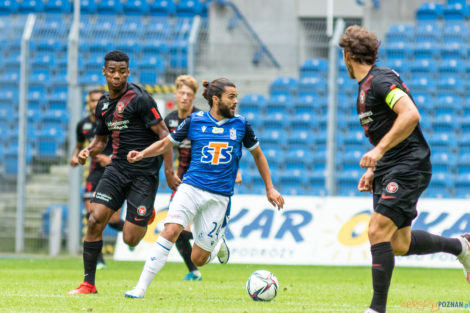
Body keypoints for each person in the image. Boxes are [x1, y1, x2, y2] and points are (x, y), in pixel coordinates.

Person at [339, 25, 470, 313]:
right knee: (398, 242)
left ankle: (376, 309)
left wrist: (378, 151)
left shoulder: (379, 81)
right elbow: (386, 130)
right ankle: (461, 246)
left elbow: (410, 114)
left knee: (376, 229)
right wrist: (374, 168)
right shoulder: (365, 88)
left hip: (409, 164)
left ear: (347, 55)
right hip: (390, 167)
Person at [124, 78, 284, 298]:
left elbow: (258, 155)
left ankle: (217, 244)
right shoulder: (195, 121)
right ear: (216, 99)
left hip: (219, 198)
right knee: (170, 231)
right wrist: (142, 153)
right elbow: (166, 143)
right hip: (190, 188)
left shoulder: (241, 124)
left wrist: (270, 188)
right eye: (231, 97)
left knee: (197, 259)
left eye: (236, 96)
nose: (236, 101)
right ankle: (140, 288)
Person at [68, 50, 180, 295]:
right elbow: (100, 141)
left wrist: (169, 172)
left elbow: (165, 136)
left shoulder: (141, 99)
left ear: (128, 72)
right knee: (95, 218)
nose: (116, 76)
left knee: (130, 239)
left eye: (121, 71)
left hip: (144, 174)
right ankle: (89, 283)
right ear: (104, 72)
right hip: (116, 169)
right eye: (112, 71)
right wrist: (87, 151)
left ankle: (146, 213)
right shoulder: (103, 104)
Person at [164, 75, 243, 281]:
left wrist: (236, 171)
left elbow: (225, 146)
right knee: (177, 230)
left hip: (205, 181)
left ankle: (211, 243)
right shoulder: (170, 119)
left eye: (189, 95)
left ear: (194, 98)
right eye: (181, 93)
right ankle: (194, 269)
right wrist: (167, 172)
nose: (184, 98)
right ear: (175, 94)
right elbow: (165, 147)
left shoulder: (201, 118)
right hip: (183, 182)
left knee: (181, 230)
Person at [70, 89, 125, 270]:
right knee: (91, 216)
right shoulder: (83, 125)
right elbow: (78, 146)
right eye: (92, 100)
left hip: (113, 172)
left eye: (98, 100)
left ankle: (135, 230)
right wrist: (74, 156)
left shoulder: (115, 122)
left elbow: (125, 147)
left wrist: (110, 158)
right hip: (94, 175)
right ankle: (99, 260)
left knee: (113, 221)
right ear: (88, 103)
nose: (95, 103)